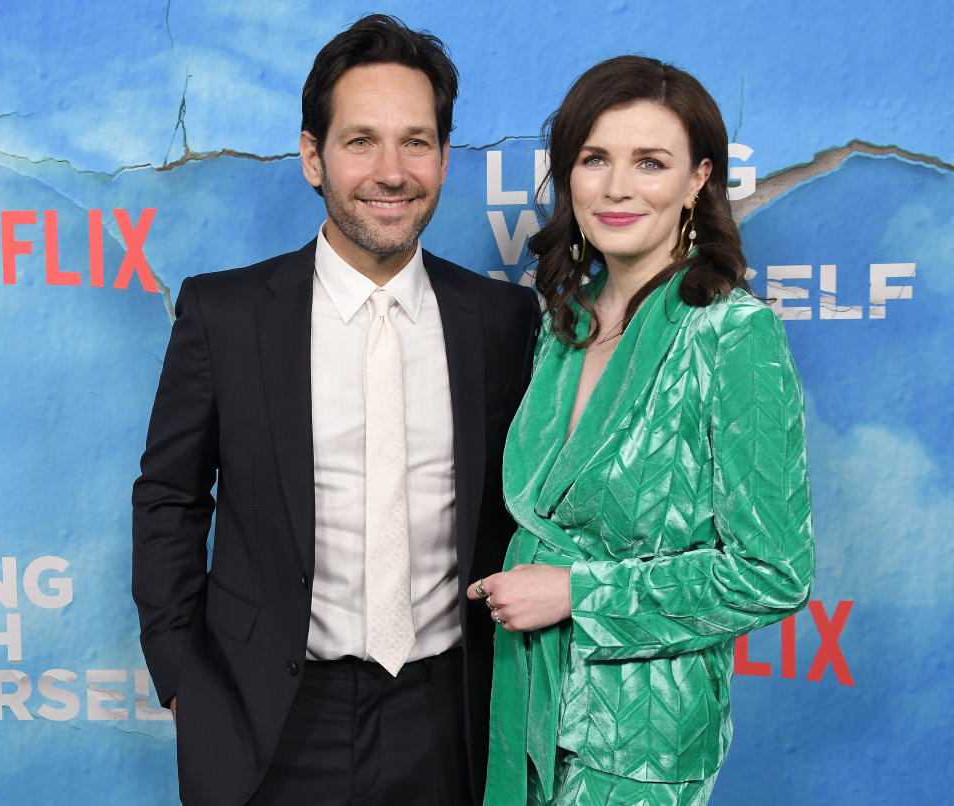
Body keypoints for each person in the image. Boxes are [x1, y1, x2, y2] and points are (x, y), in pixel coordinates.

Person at [132, 14, 539, 806]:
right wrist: (181, 674)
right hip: (267, 714)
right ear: (313, 157)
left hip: (450, 709)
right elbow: (170, 498)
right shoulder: (226, 313)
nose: (392, 171)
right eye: (360, 142)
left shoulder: (501, 321)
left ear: (445, 158)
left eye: (416, 142)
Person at [468, 55, 814, 806]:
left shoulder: (732, 335)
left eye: (650, 162)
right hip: (527, 702)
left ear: (698, 180)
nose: (617, 187)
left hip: (641, 747)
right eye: (595, 159)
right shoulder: (564, 326)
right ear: (570, 177)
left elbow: (774, 574)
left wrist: (579, 593)